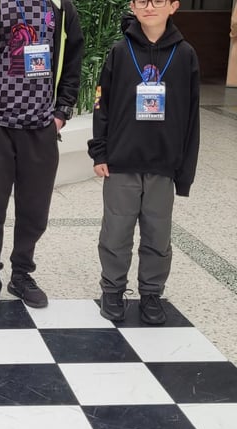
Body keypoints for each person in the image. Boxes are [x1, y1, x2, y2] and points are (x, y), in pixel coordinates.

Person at [0, 0, 84, 314]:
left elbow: (73, 61)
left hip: (40, 128)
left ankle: (22, 273)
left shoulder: (60, 6)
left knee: (34, 209)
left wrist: (62, 112)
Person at [89, 0, 200, 324]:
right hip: (122, 161)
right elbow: (102, 104)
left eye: (158, 1)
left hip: (163, 163)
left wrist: (185, 170)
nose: (150, 7)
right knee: (116, 233)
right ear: (133, 7)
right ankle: (112, 290)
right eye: (142, 1)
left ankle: (151, 293)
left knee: (158, 235)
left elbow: (192, 116)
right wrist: (100, 152)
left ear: (173, 6)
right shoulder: (119, 52)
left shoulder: (185, 55)